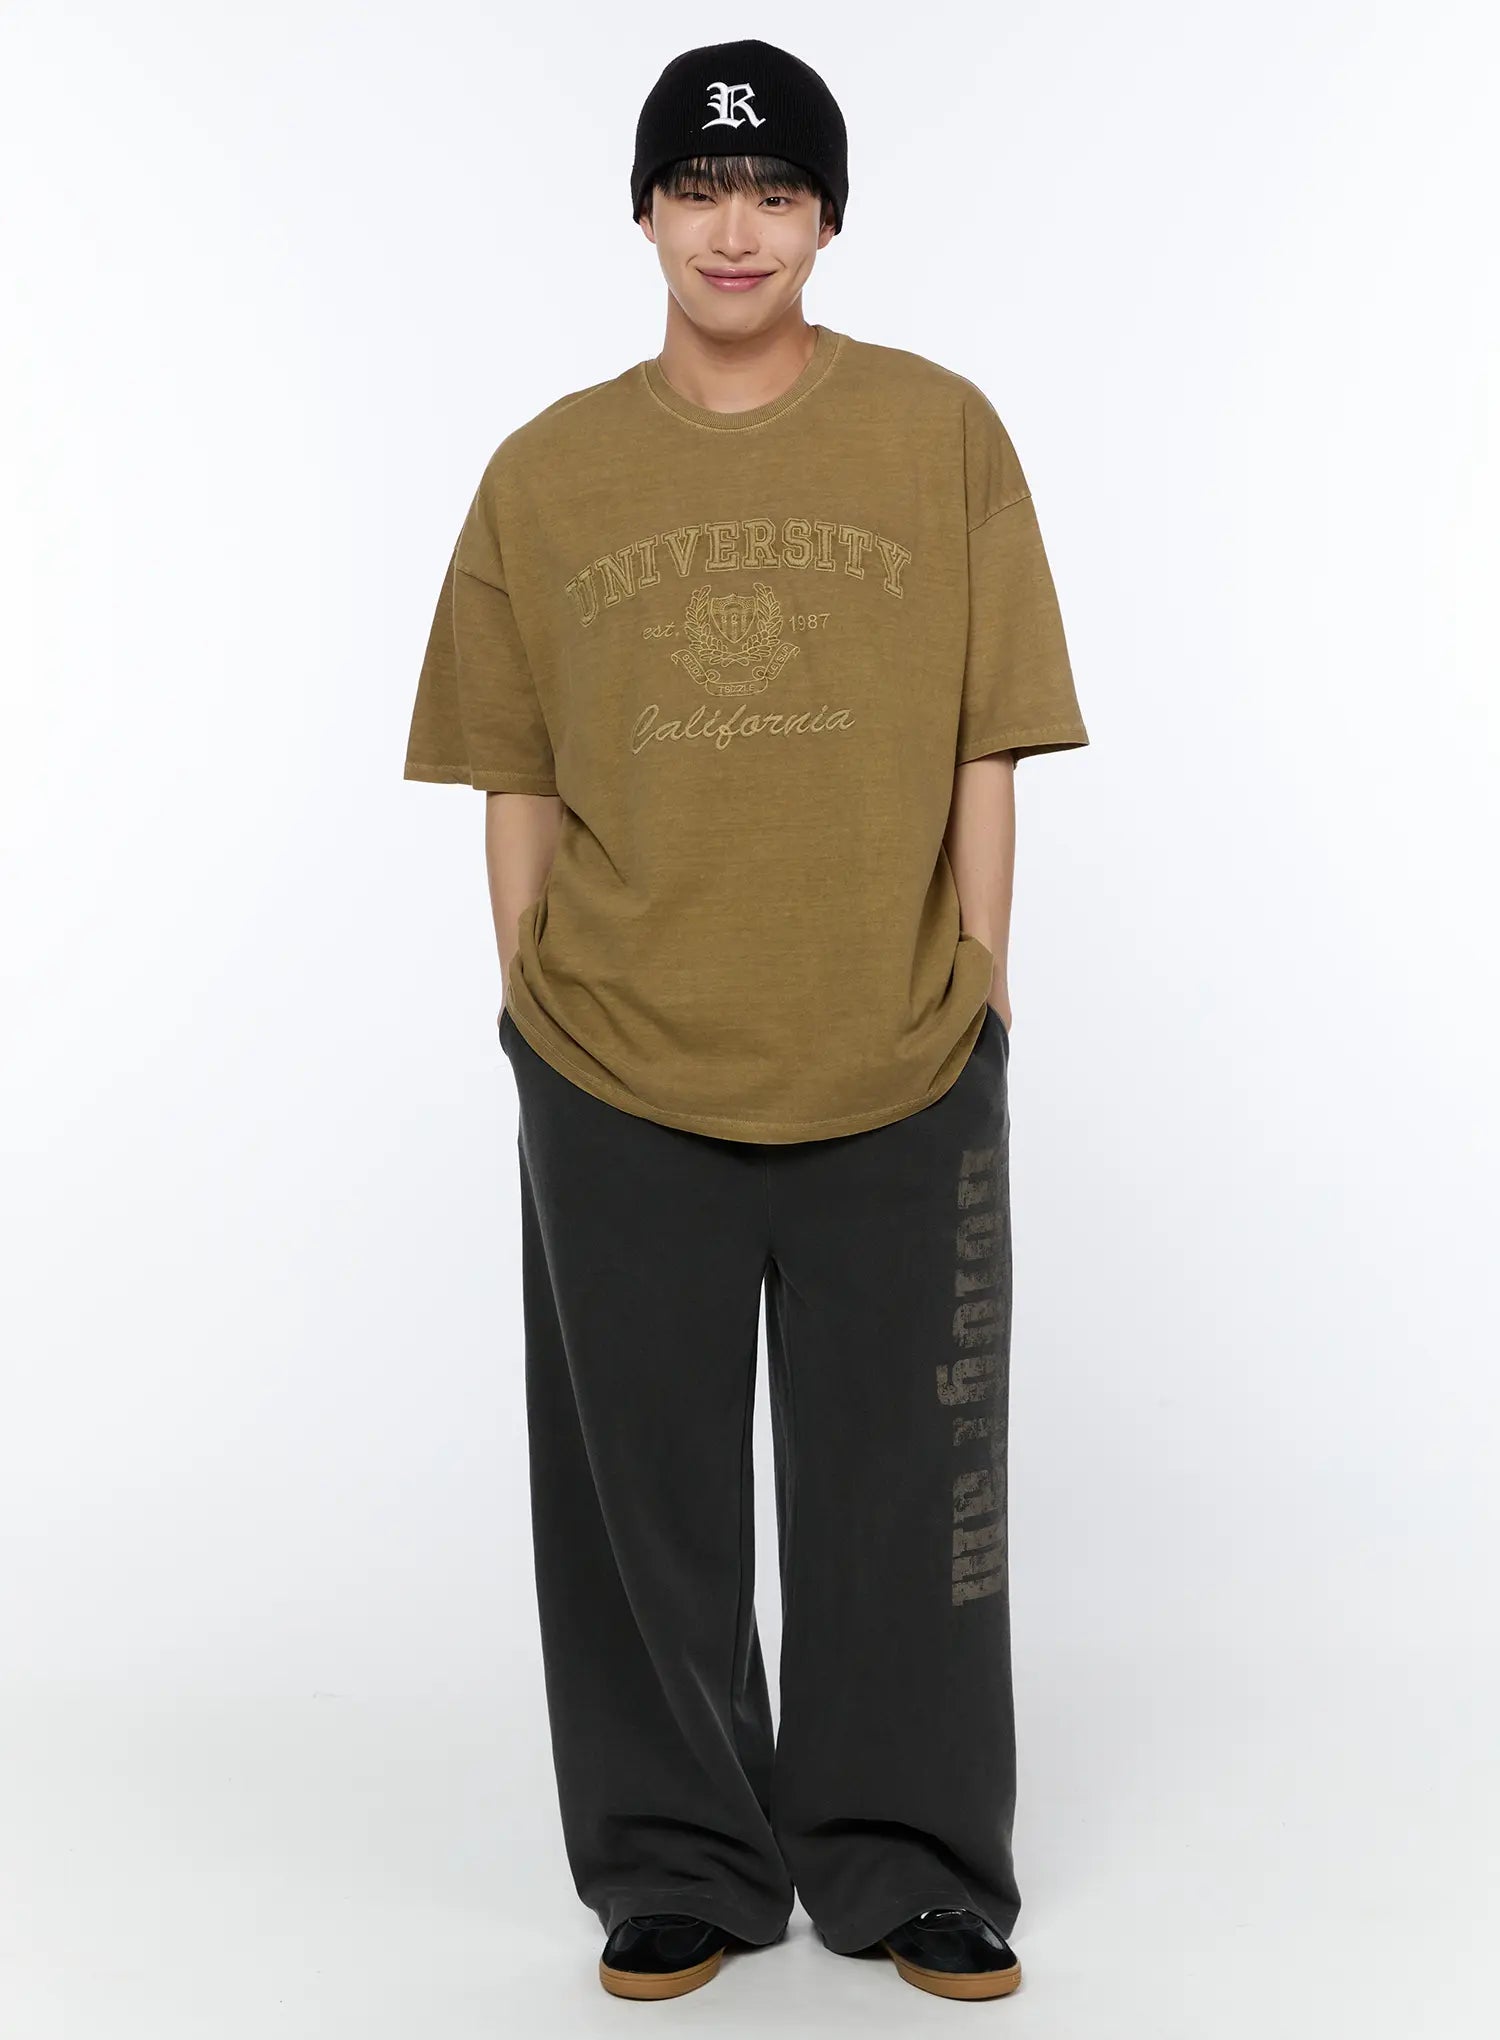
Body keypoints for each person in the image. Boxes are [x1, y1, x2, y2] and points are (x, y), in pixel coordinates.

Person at [402, 37, 1089, 2003]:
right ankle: (678, 1861)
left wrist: (982, 976)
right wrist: (530, 993)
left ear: (828, 219)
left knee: (913, 1499)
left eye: (775, 192)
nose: (734, 229)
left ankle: (913, 1862)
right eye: (699, 191)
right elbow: (513, 766)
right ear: (642, 211)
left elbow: (987, 735)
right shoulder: (547, 474)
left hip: (900, 1053)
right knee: (640, 1501)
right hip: (618, 1063)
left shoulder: (940, 434)